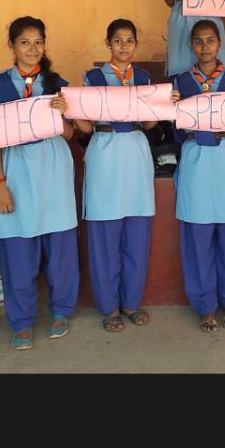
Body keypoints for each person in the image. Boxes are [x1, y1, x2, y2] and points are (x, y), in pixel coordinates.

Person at [74, 18, 178, 332]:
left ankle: (131, 302)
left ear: (135, 44)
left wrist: (164, 106)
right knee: (105, 234)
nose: (123, 46)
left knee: (136, 231)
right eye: (117, 40)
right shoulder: (92, 77)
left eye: (129, 41)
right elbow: (83, 126)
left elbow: (148, 124)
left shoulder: (144, 77)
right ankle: (109, 307)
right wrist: (70, 108)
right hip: (104, 148)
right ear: (108, 43)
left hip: (135, 149)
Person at [0, 17, 79, 350]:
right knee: (18, 250)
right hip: (16, 174)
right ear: (11, 46)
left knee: (60, 248)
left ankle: (60, 310)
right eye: (25, 42)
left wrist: (65, 114)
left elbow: (70, 134)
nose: (33, 49)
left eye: (39, 42)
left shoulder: (57, 83)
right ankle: (21, 320)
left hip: (53, 171)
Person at [173, 20, 225, 333]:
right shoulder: (179, 81)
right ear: (191, 45)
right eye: (199, 41)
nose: (205, 46)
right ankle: (204, 306)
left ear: (221, 45)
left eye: (210, 40)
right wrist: (173, 108)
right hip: (196, 159)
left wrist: (220, 129)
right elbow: (175, 127)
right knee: (198, 237)